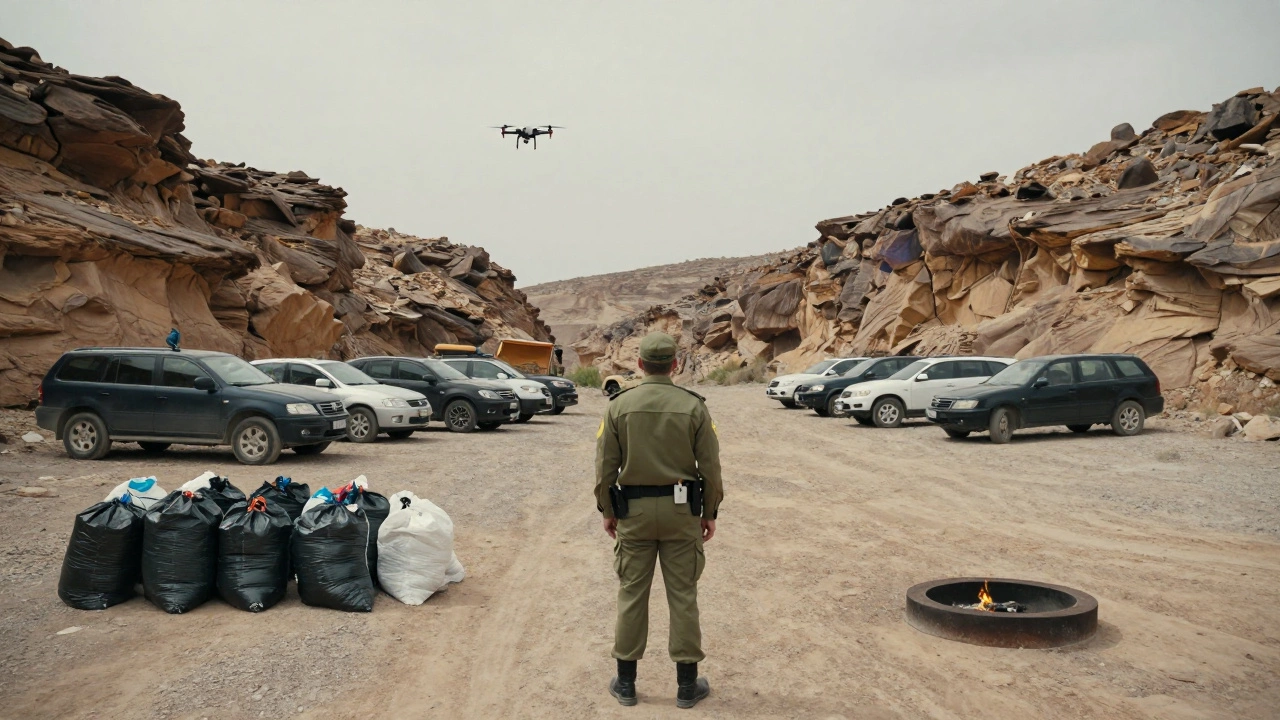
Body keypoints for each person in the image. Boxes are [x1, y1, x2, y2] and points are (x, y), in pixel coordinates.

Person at [594, 332, 723, 709]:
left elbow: (604, 467)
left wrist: (607, 510)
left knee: (632, 594)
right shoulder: (693, 406)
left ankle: (626, 683)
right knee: (683, 595)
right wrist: (710, 511)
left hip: (632, 514)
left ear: (638, 364)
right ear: (675, 365)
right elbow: (711, 468)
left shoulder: (619, 405)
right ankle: (686, 686)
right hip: (682, 514)